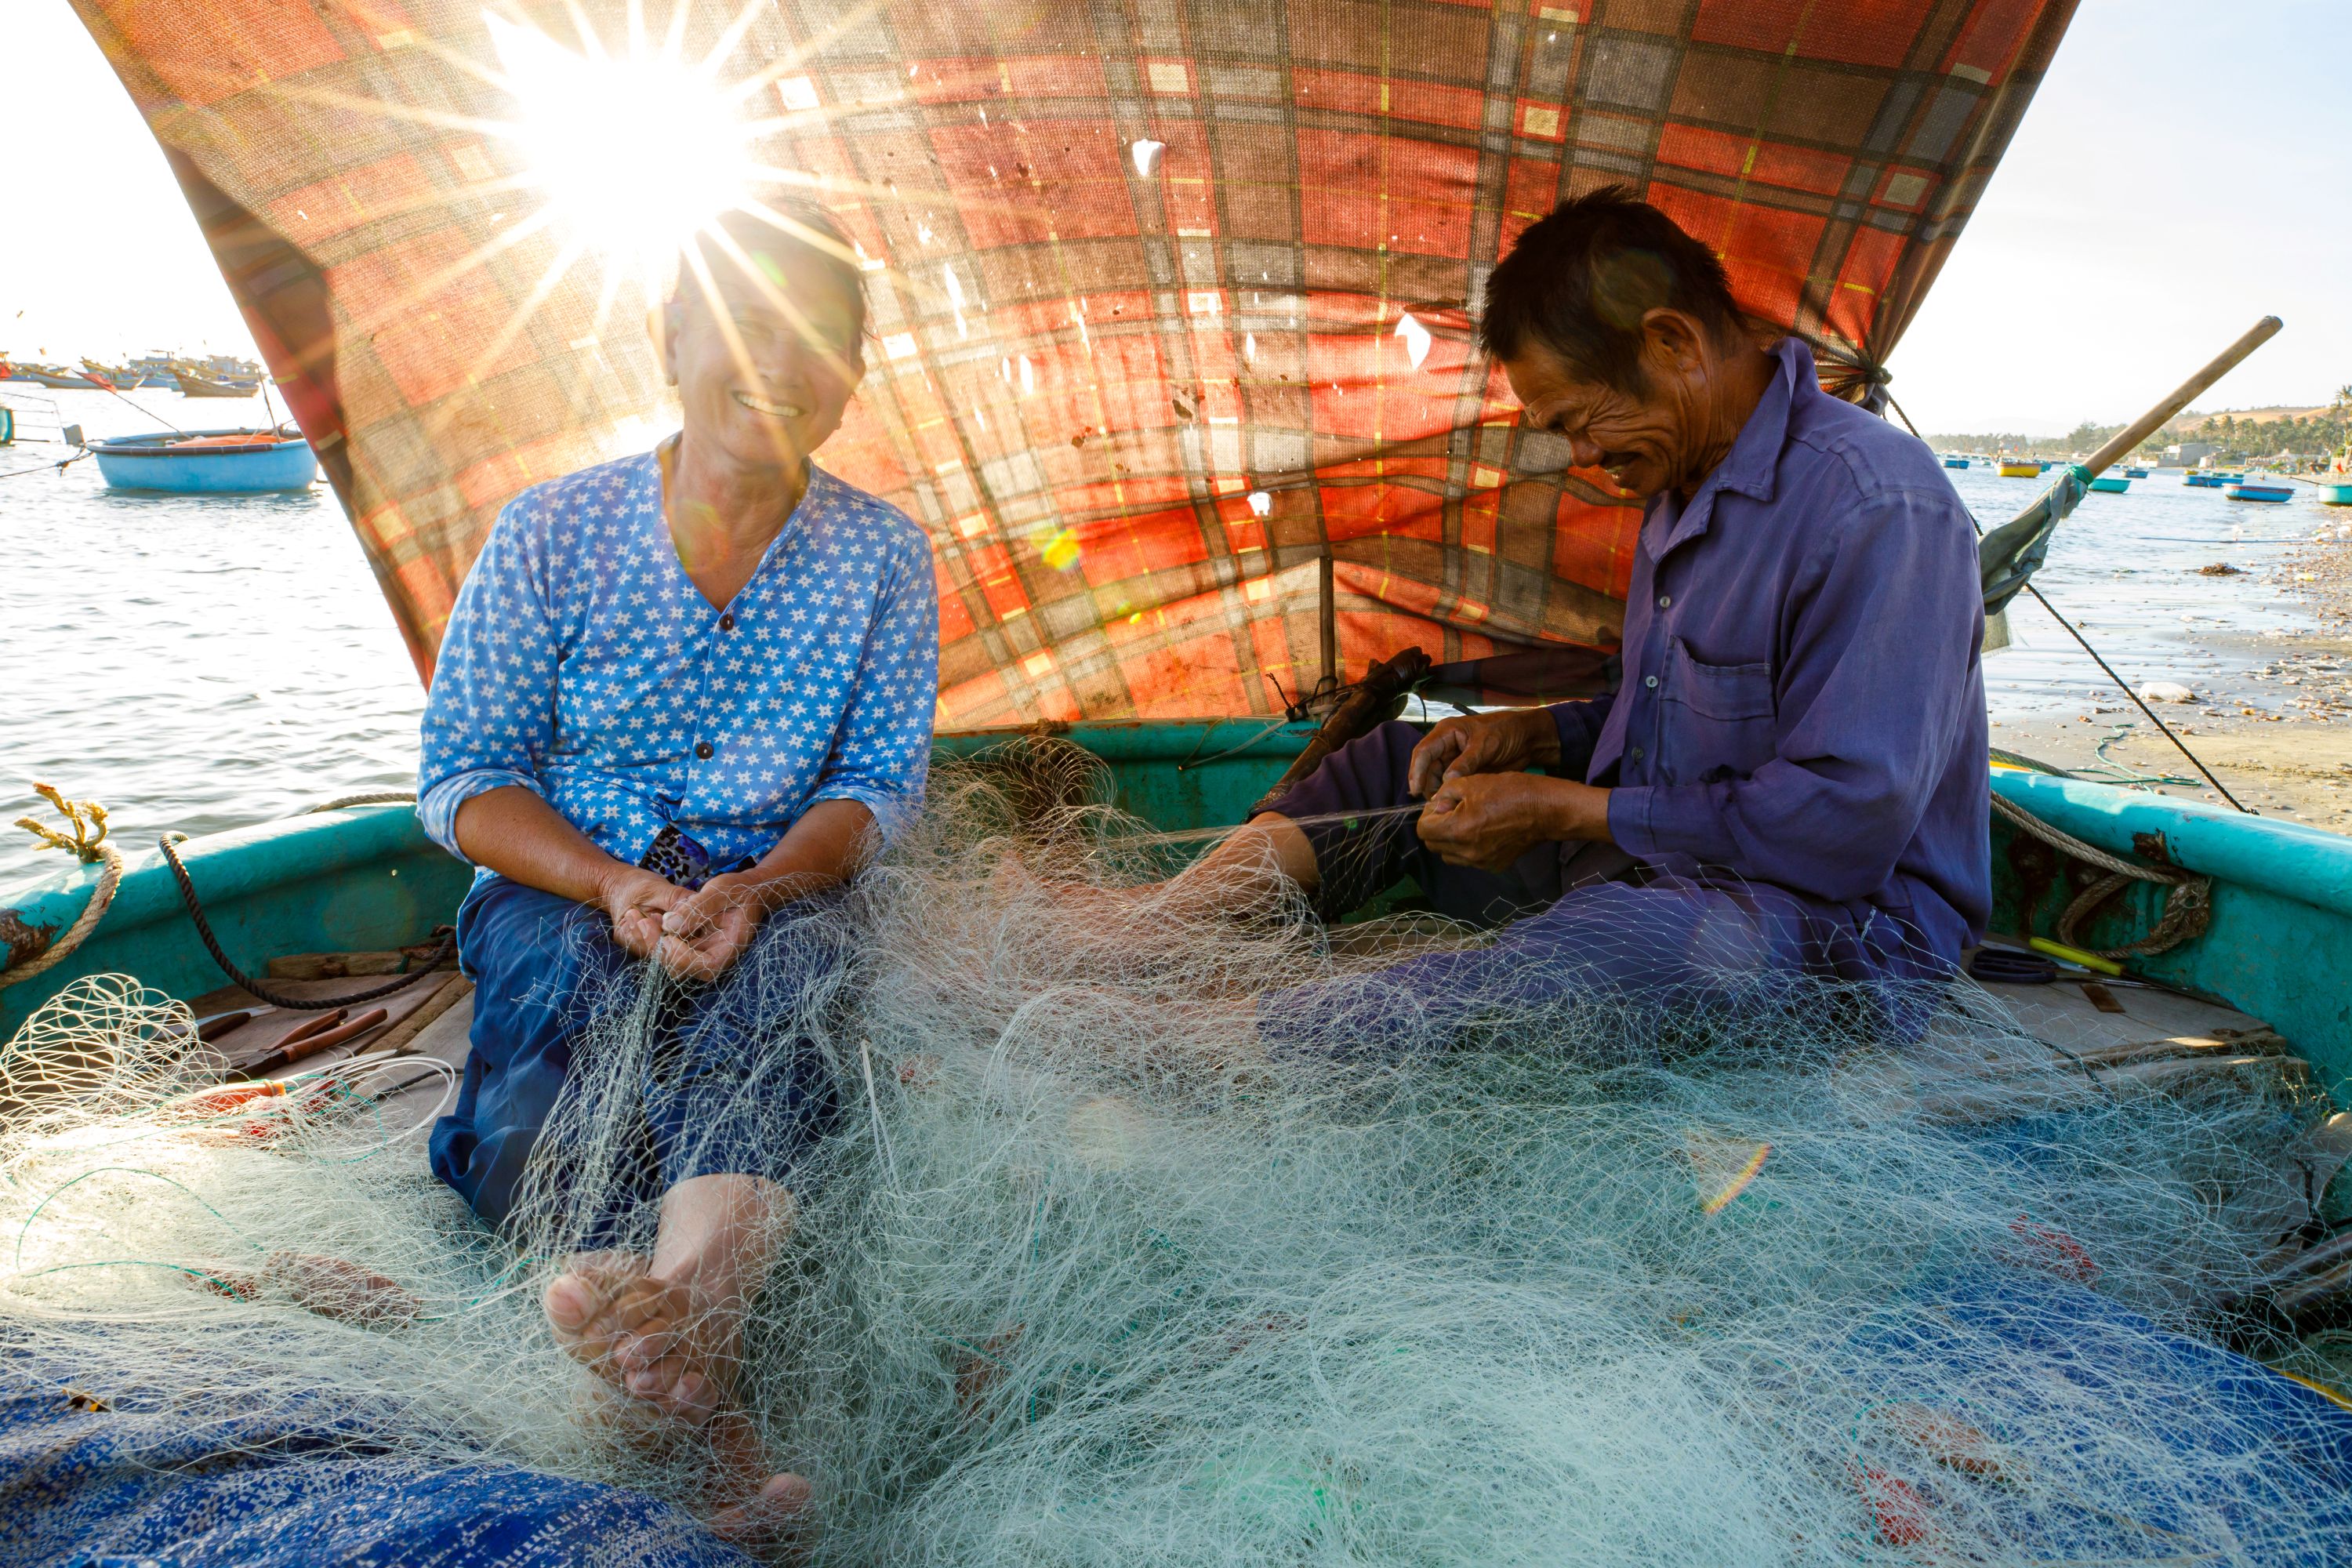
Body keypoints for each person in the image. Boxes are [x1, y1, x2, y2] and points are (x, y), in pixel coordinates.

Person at [1169, 187, 1988, 1051]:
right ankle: (1154, 931)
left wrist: (1565, 811)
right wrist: (1537, 737)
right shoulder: (1679, 483)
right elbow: (1676, 724)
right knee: (1403, 767)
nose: (1584, 458)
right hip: (1649, 872)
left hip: (1844, 942)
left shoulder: (1880, 506)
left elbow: (1840, 827)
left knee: (1616, 949)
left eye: (1579, 421)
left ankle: (1222, 1044)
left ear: (1671, 341)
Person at [415, 205, 938, 1525]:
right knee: (550, 1066)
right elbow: (464, 778)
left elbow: (873, 788)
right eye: (746, 326)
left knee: (785, 1001)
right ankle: (677, 1360)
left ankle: (681, 1314)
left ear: (851, 378)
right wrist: (609, 886)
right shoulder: (550, 533)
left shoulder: (882, 555)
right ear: (671, 342)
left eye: (816, 339)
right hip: (567, 879)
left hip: (776, 886)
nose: (778, 365)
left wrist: (755, 891)